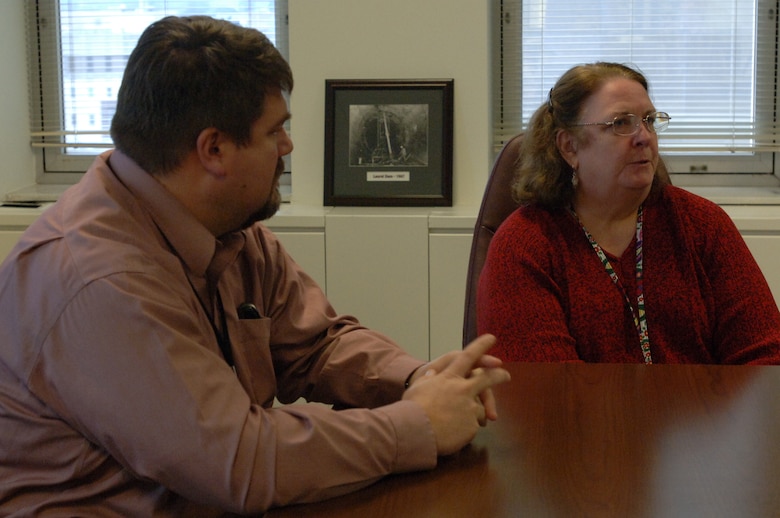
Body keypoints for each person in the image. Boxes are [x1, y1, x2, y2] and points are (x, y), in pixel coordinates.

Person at [0, 16, 510, 515]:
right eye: (276, 131)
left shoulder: (228, 228)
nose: (288, 147)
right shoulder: (100, 277)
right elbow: (236, 461)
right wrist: (417, 424)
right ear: (214, 149)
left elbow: (317, 343)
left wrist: (417, 379)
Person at [477, 61, 780, 364]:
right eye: (621, 123)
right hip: (583, 412)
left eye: (649, 120)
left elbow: (766, 359)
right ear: (570, 147)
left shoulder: (702, 225)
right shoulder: (527, 245)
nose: (644, 137)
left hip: (705, 411)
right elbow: (547, 391)